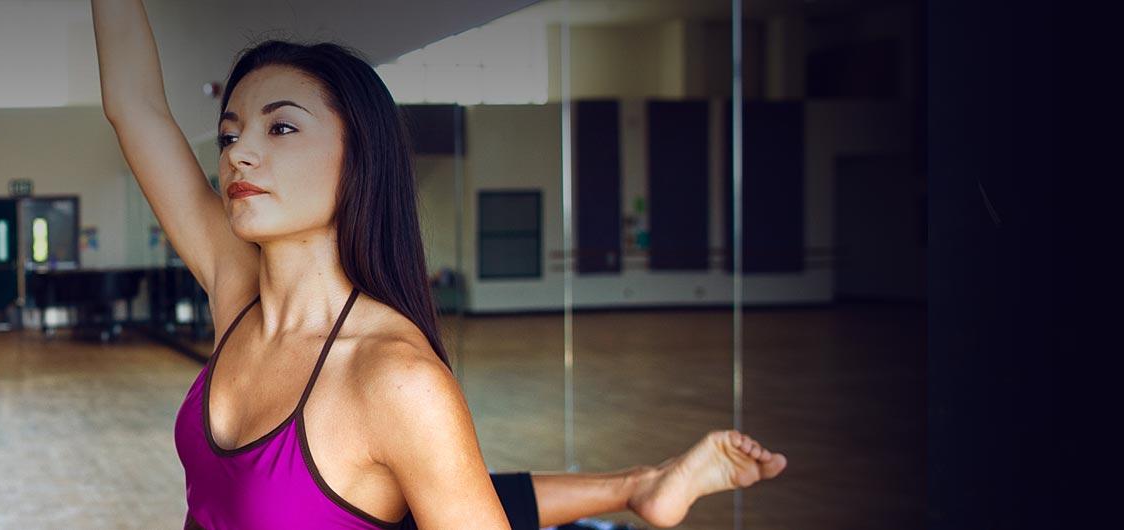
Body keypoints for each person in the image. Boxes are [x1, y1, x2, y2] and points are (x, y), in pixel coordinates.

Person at [90, 0, 788, 528]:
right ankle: (639, 486)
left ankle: (640, 487)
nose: (240, 152)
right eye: (231, 132)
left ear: (358, 157)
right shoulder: (236, 291)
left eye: (282, 127)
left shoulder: (395, 378)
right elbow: (136, 107)